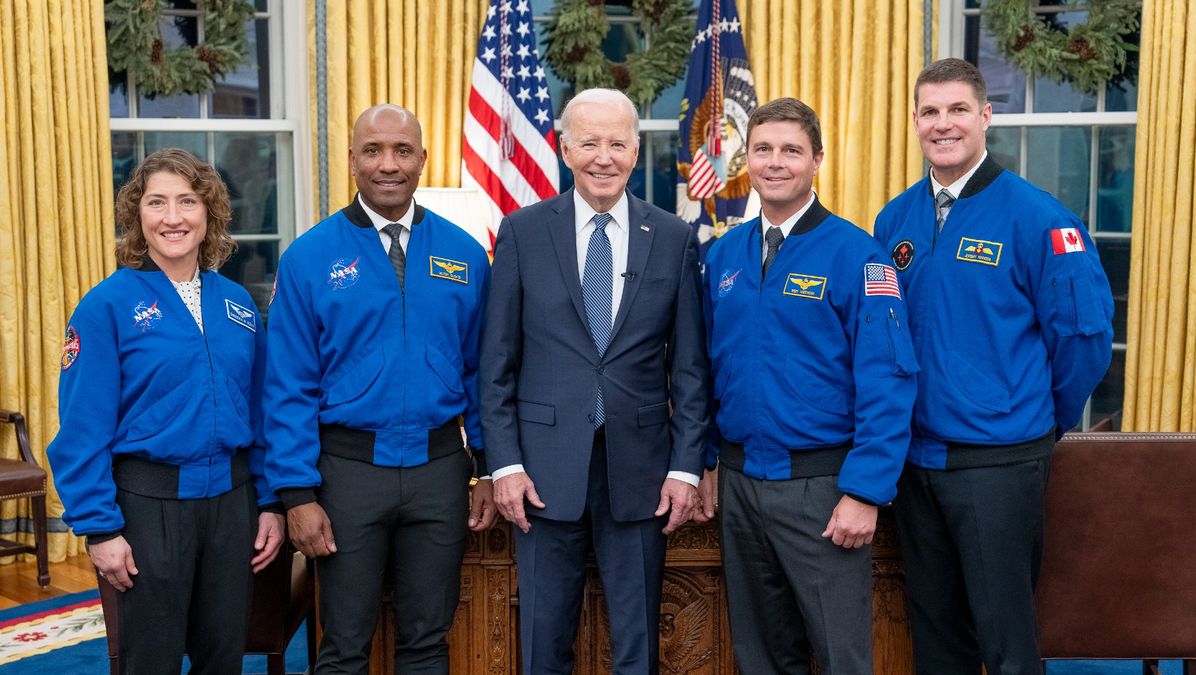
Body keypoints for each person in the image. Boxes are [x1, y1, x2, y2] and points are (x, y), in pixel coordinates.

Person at [873, 58, 1114, 674]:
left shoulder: (1040, 219)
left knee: (1006, 643)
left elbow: (1083, 340)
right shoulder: (893, 220)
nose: (943, 124)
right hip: (914, 465)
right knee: (935, 641)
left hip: (998, 463)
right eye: (930, 111)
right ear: (916, 121)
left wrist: (1031, 421)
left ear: (985, 116)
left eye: (958, 109)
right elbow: (884, 335)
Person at [480, 87, 708, 674]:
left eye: (616, 143)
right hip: (541, 475)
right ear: (563, 148)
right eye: (589, 142)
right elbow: (497, 362)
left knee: (638, 649)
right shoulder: (523, 232)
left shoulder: (675, 238)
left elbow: (688, 369)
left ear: (635, 150)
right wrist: (503, 464)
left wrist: (685, 468)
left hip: (642, 473)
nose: (603, 157)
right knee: (542, 644)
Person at [263, 104, 495, 674]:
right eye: (373, 151)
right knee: (342, 646)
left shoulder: (464, 254)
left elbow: (482, 372)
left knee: (428, 641)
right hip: (346, 475)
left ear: (422, 159)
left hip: (440, 470)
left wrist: (488, 466)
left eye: (401, 151)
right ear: (352, 160)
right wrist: (297, 495)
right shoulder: (309, 257)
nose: (387, 164)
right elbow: (287, 384)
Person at [696, 97, 917, 674]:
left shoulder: (858, 256)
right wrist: (708, 461)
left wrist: (866, 490)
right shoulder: (723, 256)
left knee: (841, 657)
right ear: (746, 158)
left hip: (822, 489)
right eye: (763, 149)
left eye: (791, 150)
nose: (775, 162)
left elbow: (888, 378)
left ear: (817, 160)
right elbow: (704, 368)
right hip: (741, 486)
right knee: (761, 657)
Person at [46, 147, 286, 673]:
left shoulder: (238, 304)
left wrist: (270, 501)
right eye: (157, 203)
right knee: (150, 660)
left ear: (209, 214)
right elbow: (81, 430)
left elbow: (263, 412)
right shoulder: (105, 307)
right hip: (148, 506)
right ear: (137, 215)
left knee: (223, 657)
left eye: (187, 202)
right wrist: (100, 529)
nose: (172, 218)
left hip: (232, 503)